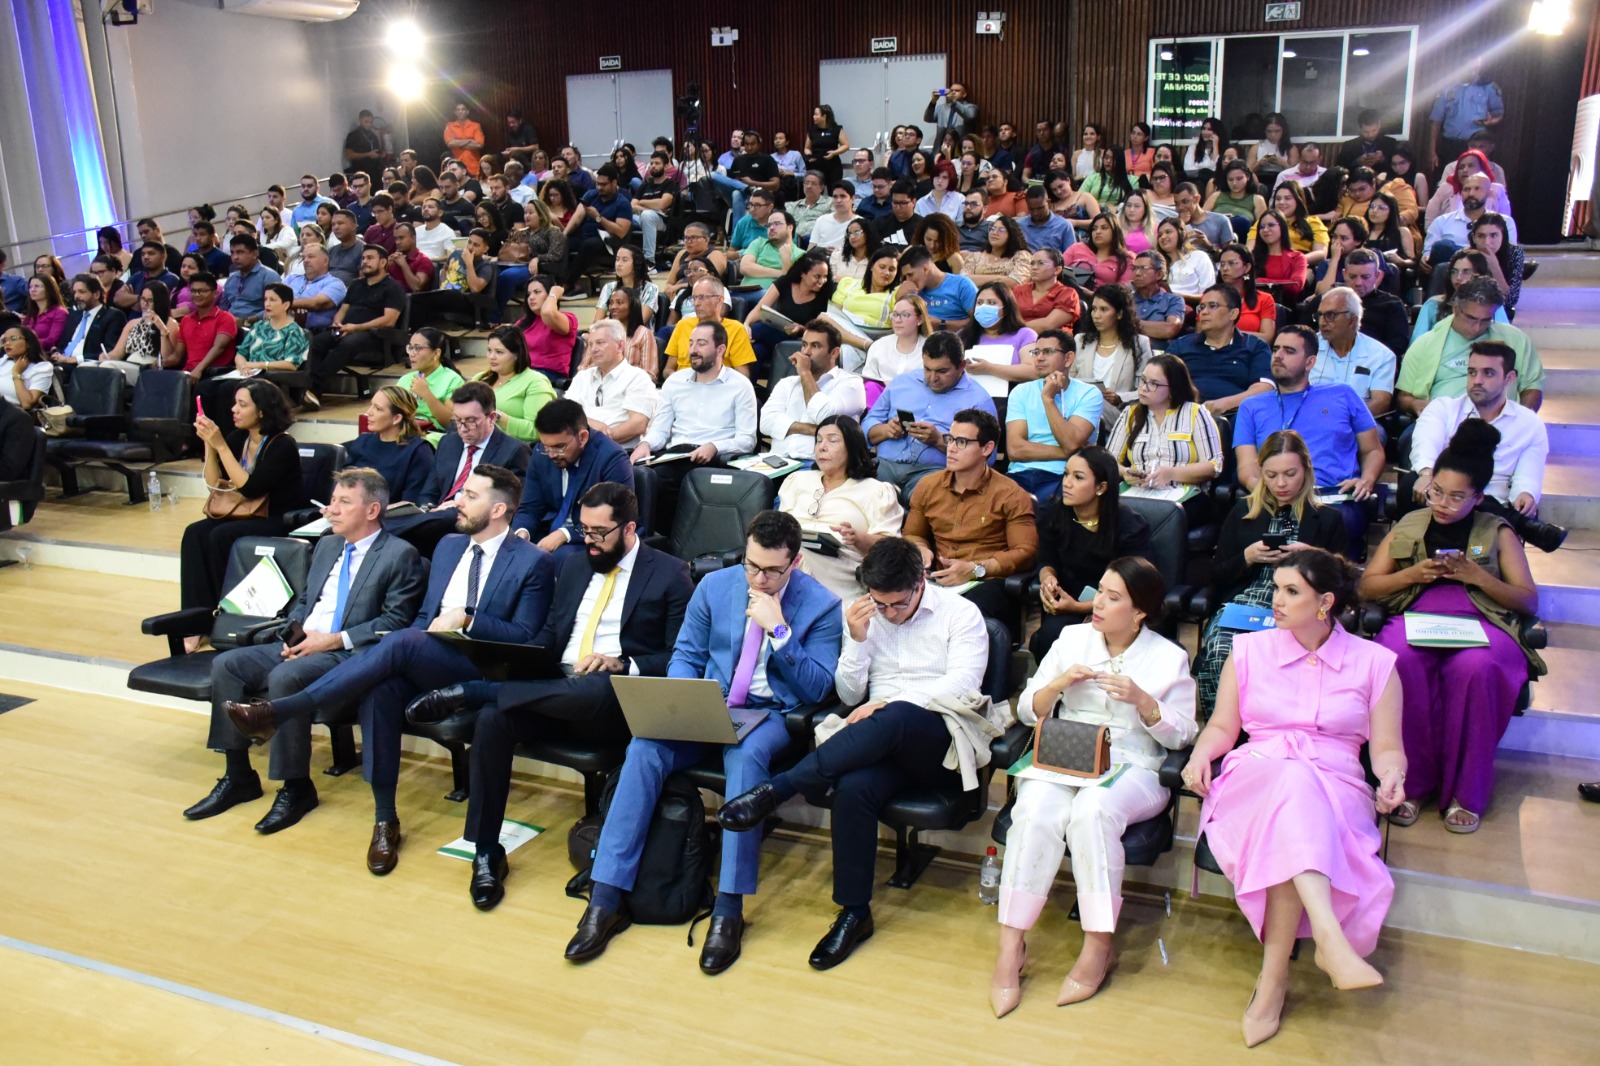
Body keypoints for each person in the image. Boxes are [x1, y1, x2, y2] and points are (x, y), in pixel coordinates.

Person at [219, 464, 551, 863]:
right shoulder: (448, 546)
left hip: (480, 668)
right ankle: (385, 819)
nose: (458, 502)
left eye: (471, 496)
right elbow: (425, 616)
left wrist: (469, 617)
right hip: (428, 654)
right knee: (380, 691)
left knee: (404, 639)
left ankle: (282, 710)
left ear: (499, 510)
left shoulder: (533, 561)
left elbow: (526, 639)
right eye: (462, 493)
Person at [565, 510, 842, 974]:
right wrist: (683, 698)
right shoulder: (717, 586)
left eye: (772, 570)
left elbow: (816, 689)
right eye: (752, 565)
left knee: (747, 758)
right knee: (644, 749)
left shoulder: (822, 605)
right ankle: (606, 897)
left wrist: (779, 631)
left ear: (794, 562)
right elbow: (687, 654)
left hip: (770, 713)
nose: (759, 577)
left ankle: (729, 909)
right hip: (709, 702)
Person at [404, 481, 692, 907]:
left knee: (597, 686)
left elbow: (677, 655)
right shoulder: (573, 565)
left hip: (610, 699)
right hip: (550, 686)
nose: (589, 541)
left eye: (600, 533)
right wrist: (513, 657)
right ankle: (485, 852)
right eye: (584, 530)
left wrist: (623, 663)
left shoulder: (670, 572)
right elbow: (550, 637)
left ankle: (476, 692)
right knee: (493, 721)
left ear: (630, 528)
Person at [721, 533, 995, 971]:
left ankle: (778, 788)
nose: (888, 613)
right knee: (853, 787)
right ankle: (854, 912)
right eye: (879, 603)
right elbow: (848, 692)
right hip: (877, 740)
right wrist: (859, 638)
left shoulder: (960, 614)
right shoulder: (865, 615)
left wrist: (889, 705)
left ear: (920, 582)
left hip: (940, 738)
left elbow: (963, 685)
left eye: (898, 605)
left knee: (899, 714)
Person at [1187, 547, 1406, 1047]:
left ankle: (1275, 978)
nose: (1276, 600)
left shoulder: (1375, 663)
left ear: (1325, 602)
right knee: (1290, 781)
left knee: (1297, 797)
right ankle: (1325, 941)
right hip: (1258, 775)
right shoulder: (1249, 651)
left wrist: (1392, 774)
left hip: (1337, 782)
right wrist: (1202, 753)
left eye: (1291, 591)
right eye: (1277, 588)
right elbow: (1224, 726)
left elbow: (1388, 746)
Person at [992, 554, 1195, 1015]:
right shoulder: (1070, 638)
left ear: (1140, 611)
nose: (1097, 603)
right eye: (1099, 590)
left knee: (1092, 812)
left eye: (1113, 596)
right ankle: (1011, 946)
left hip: (1134, 763)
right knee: (1033, 810)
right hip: (1067, 754)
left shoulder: (1168, 657)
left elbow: (1184, 734)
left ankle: (1098, 943)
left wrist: (1145, 703)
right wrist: (1060, 683)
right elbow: (1029, 710)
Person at [183, 468, 426, 833]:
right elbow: (305, 602)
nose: (332, 509)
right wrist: (291, 633)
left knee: (287, 677)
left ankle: (296, 786)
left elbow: (394, 623)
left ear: (372, 510)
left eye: (344, 502)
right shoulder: (327, 545)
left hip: (347, 653)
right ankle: (238, 776)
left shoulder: (399, 555)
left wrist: (330, 641)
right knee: (227, 665)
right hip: (305, 643)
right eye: (332, 500)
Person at [1366, 417, 1542, 835]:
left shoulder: (1497, 530)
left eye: (1456, 497)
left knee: (1476, 670)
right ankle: (1409, 782)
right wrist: (1415, 574)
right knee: (1398, 661)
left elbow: (1528, 599)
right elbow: (1367, 586)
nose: (1441, 502)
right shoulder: (1410, 524)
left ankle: (1466, 792)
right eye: (1436, 492)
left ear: (1479, 498)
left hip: (1482, 621)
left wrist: (1475, 575)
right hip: (1418, 614)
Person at [1194, 431, 1347, 714]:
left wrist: (1312, 558)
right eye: (1271, 474)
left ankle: (1275, 727)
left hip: (1301, 606)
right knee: (1221, 648)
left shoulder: (1328, 518)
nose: (1281, 483)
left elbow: (1343, 583)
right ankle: (1224, 729)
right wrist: (1246, 557)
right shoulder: (1243, 511)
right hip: (1245, 599)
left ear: (1306, 470)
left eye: (1290, 474)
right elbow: (1215, 575)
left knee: (1284, 654)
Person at [1234, 326, 1383, 554]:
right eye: (1275, 349)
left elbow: (1372, 450)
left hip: (1331, 496)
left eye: (1289, 351)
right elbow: (1246, 467)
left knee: (1331, 522)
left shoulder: (1342, 394)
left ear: (1310, 362)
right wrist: (1273, 492)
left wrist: (1367, 479)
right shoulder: (1251, 406)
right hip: (1274, 496)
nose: (1278, 356)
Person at [1409, 342, 1562, 553]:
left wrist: (1526, 493)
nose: (1477, 381)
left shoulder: (1529, 423)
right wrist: (1426, 472)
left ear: (1509, 378)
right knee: (1425, 488)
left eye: (1488, 373)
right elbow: (1424, 445)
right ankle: (1522, 525)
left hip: (1495, 502)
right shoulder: (1443, 408)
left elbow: (1529, 472)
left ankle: (1515, 520)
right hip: (1444, 496)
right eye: (1472, 372)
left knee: (1486, 505)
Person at [178, 380, 307, 617]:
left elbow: (250, 488)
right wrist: (209, 445)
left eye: (242, 404)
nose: (233, 410)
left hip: (278, 516)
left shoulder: (283, 444)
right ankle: (195, 615)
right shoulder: (239, 438)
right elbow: (213, 485)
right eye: (234, 403)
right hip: (246, 512)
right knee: (194, 532)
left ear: (261, 410)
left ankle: (224, 612)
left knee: (220, 536)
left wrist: (221, 446)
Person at [902, 408, 1036, 633]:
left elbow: (1025, 552)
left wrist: (976, 569)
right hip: (938, 578)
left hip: (987, 582)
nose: (951, 448)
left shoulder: (1011, 495)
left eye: (962, 442)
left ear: (987, 448)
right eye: (950, 439)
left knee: (961, 614)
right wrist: (920, 548)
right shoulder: (928, 486)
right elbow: (913, 534)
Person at [1029, 446, 1155, 659]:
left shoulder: (1128, 526)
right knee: (1049, 637)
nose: (1067, 483)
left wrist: (1079, 607)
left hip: (1118, 607)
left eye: (1078, 478)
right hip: (1068, 599)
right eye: (1066, 474)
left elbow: (1135, 587)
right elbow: (1046, 559)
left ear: (1101, 487)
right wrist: (1047, 578)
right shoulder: (1051, 512)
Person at [632, 321, 758, 516]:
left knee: (656, 481)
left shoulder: (740, 386)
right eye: (691, 343)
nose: (693, 350)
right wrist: (646, 443)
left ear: (720, 349)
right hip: (676, 455)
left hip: (714, 458)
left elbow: (747, 441)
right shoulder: (675, 382)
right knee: (630, 473)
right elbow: (660, 430)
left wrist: (715, 446)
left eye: (701, 343)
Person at [776, 416, 903, 600]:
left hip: (840, 570)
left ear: (852, 447)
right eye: (818, 440)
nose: (822, 447)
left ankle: (789, 621)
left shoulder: (875, 491)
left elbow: (891, 550)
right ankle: (776, 625)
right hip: (790, 561)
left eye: (833, 440)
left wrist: (859, 538)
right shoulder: (797, 480)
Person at [863, 331, 996, 494]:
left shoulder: (978, 400)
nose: (932, 378)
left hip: (934, 473)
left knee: (927, 498)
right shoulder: (902, 382)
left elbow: (987, 457)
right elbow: (867, 425)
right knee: (861, 495)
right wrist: (885, 430)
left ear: (961, 366)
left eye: (942, 371)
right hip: (884, 466)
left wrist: (940, 441)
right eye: (927, 369)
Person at [1397, 278, 1543, 415]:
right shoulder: (1424, 344)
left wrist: (1522, 419)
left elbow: (1532, 388)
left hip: (1501, 421)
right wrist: (1414, 404)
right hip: (1442, 421)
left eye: (1485, 320)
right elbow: (1404, 397)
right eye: (1471, 318)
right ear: (1455, 309)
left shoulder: (1516, 339)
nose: (1477, 328)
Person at [510, 396, 636, 555]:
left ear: (582, 437)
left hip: (592, 538)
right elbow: (530, 507)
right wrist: (522, 533)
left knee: (558, 558)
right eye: (546, 446)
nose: (551, 455)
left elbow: (615, 517)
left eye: (559, 447)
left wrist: (565, 534)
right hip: (548, 528)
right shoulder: (541, 453)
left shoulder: (612, 458)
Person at [1003, 330, 1102, 499]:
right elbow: (1015, 450)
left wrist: (1048, 399)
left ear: (1068, 358)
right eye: (1036, 352)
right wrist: (1065, 452)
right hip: (1020, 474)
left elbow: (1071, 442)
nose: (1039, 358)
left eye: (1047, 352)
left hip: (1064, 476)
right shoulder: (1020, 392)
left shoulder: (1089, 394)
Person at [302, 248, 405, 408]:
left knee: (348, 344)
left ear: (383, 262)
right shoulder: (357, 284)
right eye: (363, 258)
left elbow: (389, 320)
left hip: (374, 336)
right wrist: (337, 323)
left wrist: (356, 327)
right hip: (346, 329)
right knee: (317, 342)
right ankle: (309, 388)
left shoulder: (393, 288)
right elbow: (342, 310)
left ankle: (313, 388)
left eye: (370, 258)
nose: (364, 261)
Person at [759, 319, 866, 461]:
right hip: (776, 461)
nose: (806, 352)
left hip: (818, 465)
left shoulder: (850, 384)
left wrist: (805, 373)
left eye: (815, 346)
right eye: (804, 345)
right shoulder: (787, 383)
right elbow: (765, 423)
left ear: (834, 353)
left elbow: (823, 416)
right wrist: (812, 429)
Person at [1166, 285, 1272, 415]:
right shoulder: (1181, 345)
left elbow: (1264, 388)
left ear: (1233, 313)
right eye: (1202, 307)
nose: (1204, 312)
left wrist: (1224, 404)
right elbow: (1160, 380)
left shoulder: (1255, 346)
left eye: (1213, 306)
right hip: (1185, 414)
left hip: (1235, 415)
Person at [1304, 285, 1396, 417]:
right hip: (1311, 418)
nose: (1322, 322)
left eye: (1331, 315)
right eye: (1320, 315)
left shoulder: (1381, 355)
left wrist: (1344, 420)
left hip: (1360, 424)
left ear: (1352, 320)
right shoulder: (1307, 346)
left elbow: (1381, 403)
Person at [565, 317, 658, 448]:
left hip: (619, 452)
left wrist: (601, 438)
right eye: (591, 344)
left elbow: (638, 424)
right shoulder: (582, 377)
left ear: (620, 345)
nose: (594, 349)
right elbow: (566, 414)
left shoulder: (637, 377)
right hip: (579, 448)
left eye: (600, 343)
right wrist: (590, 425)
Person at [1308, 248, 1409, 360]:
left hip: (1372, 363)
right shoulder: (1325, 302)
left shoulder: (1391, 305)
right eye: (1352, 277)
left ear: (1377, 275)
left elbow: (1398, 345)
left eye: (1365, 277)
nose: (1358, 283)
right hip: (1325, 360)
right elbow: (1304, 337)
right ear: (1344, 274)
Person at [746, 250, 835, 374]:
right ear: (803, 274)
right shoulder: (785, 282)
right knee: (756, 350)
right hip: (775, 334)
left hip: (799, 341)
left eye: (825, 277)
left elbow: (823, 331)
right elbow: (760, 308)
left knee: (760, 329)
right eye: (817, 276)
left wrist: (801, 328)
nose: (822, 281)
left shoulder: (824, 296)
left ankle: (734, 341)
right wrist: (746, 325)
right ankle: (750, 390)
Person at [343, 385, 436, 504]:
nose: (369, 412)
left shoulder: (418, 451)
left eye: (378, 408)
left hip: (391, 519)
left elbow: (411, 504)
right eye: (371, 405)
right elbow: (343, 484)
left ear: (396, 418)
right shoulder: (362, 441)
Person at [663, 277, 758, 378]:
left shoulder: (736, 329)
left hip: (718, 387)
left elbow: (743, 375)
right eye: (694, 298)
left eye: (702, 297)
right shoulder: (682, 325)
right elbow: (668, 369)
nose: (696, 303)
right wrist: (676, 378)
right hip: (684, 387)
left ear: (719, 300)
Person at [1429, 60, 1504, 172]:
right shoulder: (1447, 88)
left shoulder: (1488, 87)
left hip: (1477, 145)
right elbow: (1436, 121)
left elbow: (1499, 113)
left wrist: (1490, 122)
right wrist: (1432, 151)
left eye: (1476, 68)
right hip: (1451, 144)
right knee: (1448, 180)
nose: (1472, 71)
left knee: (1476, 181)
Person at [98, 280, 175, 383]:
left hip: (148, 369)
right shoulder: (132, 323)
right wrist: (106, 356)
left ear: (159, 302)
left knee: (108, 367)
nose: (145, 304)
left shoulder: (170, 323)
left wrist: (162, 329)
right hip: (129, 364)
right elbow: (117, 353)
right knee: (86, 367)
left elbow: (167, 357)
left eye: (150, 300)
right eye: (143, 299)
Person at [959, 282, 1037, 381]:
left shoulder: (1025, 335)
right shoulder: (963, 335)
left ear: (1006, 308)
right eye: (979, 303)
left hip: (1012, 393)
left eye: (991, 303)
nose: (984, 307)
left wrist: (989, 369)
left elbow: (1033, 371)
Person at [49, 274, 126, 367]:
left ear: (96, 294)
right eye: (74, 292)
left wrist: (76, 359)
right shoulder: (74, 315)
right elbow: (63, 344)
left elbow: (109, 352)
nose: (76, 296)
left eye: (81, 292)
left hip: (87, 366)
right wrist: (57, 352)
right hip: (62, 362)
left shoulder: (113, 316)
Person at [897, 245, 977, 331]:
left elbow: (978, 321)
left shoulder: (962, 284)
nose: (908, 281)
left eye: (910, 275)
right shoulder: (911, 292)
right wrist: (900, 299)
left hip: (957, 340)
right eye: (905, 277)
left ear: (925, 269)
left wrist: (941, 323)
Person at [513, 274, 577, 382]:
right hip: (525, 372)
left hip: (550, 376)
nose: (531, 297)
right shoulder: (522, 323)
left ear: (549, 294)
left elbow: (547, 312)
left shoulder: (567, 318)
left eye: (537, 292)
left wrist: (554, 294)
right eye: (528, 294)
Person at [861, 295, 931, 386]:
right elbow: (868, 380)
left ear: (920, 319)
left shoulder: (930, 349)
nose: (898, 320)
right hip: (881, 397)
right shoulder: (879, 346)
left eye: (905, 315)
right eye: (894, 315)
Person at [1216, 242, 1277, 342]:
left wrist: (1231, 335)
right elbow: (1200, 333)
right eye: (1222, 264)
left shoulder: (1264, 299)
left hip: (1250, 353)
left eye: (1231, 263)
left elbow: (1267, 337)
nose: (1225, 268)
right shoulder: (1209, 298)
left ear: (1247, 267)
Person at [1127, 251, 1185, 346]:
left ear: (1159, 274)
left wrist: (1128, 322)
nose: (1137, 273)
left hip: (1158, 355)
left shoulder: (1173, 300)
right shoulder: (1126, 299)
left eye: (1144, 268)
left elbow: (1170, 329)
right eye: (1134, 268)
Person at [1062, 212, 1133, 287]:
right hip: (1071, 295)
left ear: (1115, 231)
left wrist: (1091, 294)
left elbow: (1123, 292)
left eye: (1104, 228)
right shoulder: (1077, 248)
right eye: (1094, 229)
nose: (1098, 232)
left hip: (1104, 298)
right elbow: (1058, 270)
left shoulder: (1127, 259)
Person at [962, 215, 1033, 289]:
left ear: (1011, 234)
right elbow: (963, 280)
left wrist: (977, 279)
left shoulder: (1021, 256)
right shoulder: (975, 256)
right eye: (992, 229)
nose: (994, 233)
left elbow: (1016, 282)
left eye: (1001, 230)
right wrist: (1003, 278)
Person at [1155, 218, 1215, 304]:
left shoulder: (1199, 257)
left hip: (1187, 308)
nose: (1163, 237)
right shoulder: (1157, 264)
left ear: (1181, 234)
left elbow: (1208, 295)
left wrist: (1173, 295)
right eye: (1160, 235)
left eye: (1168, 232)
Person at [0, 325, 53, 411]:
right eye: (4, 340)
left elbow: (27, 404)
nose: (7, 343)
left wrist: (16, 373)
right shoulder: (3, 361)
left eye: (13, 338)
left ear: (28, 342)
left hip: (12, 416)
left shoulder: (42, 367)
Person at [1018, 186, 1074, 254]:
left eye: (1040, 208)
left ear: (1048, 203)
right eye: (1031, 209)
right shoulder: (1019, 225)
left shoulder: (1064, 226)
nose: (1035, 213)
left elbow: (1071, 256)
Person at [20, 273, 68, 352]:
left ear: (49, 289)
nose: (32, 290)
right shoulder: (31, 314)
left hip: (47, 355)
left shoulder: (60, 312)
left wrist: (26, 344)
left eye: (37, 286)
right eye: (30, 287)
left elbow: (52, 340)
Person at [805, 104, 850, 187]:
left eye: (816, 114)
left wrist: (834, 152)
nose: (813, 117)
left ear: (824, 116)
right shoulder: (812, 130)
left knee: (834, 190)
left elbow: (845, 145)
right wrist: (809, 156)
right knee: (816, 190)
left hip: (833, 165)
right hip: (816, 165)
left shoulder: (836, 129)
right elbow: (807, 148)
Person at [443, 102, 486, 178]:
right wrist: (469, 140)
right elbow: (450, 143)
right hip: (456, 166)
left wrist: (458, 143)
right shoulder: (450, 126)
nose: (460, 111)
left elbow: (479, 145)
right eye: (458, 109)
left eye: (463, 109)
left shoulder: (476, 126)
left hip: (473, 166)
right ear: (455, 112)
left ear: (467, 112)